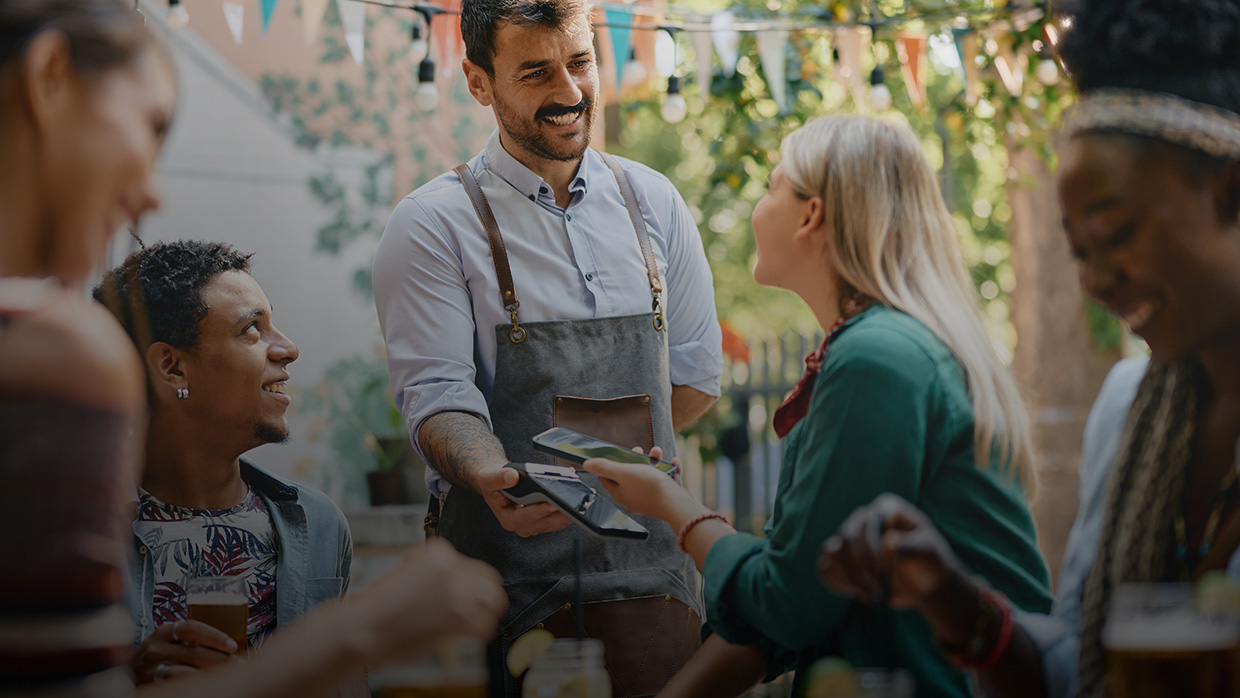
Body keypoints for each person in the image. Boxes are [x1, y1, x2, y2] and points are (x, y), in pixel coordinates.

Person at [0, 1, 505, 696]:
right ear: (49, 74)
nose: (150, 192)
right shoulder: (49, 355)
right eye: (149, 127)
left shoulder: (313, 528)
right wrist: (366, 627)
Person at [815, 1, 1240, 697]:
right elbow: (1078, 676)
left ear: (1231, 191)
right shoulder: (1127, 413)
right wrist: (950, 594)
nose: (1098, 283)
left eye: (1120, 231)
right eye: (1079, 251)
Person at [583, 114, 1052, 698]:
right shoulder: (878, 348)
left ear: (812, 215)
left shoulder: (877, 359)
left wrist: (676, 507)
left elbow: (787, 604)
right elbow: (790, 609)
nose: (759, 206)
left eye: (771, 186)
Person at [371, 0, 723, 694]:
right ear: (479, 82)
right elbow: (438, 399)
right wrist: (493, 474)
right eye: (536, 73)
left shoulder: (654, 202)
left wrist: (602, 473)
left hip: (654, 585)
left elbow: (694, 382)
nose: (568, 93)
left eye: (581, 62)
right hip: (500, 589)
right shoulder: (432, 226)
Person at [91, 240, 357, 693]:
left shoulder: (319, 525)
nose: (288, 349)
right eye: (253, 328)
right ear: (172, 368)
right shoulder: (77, 535)